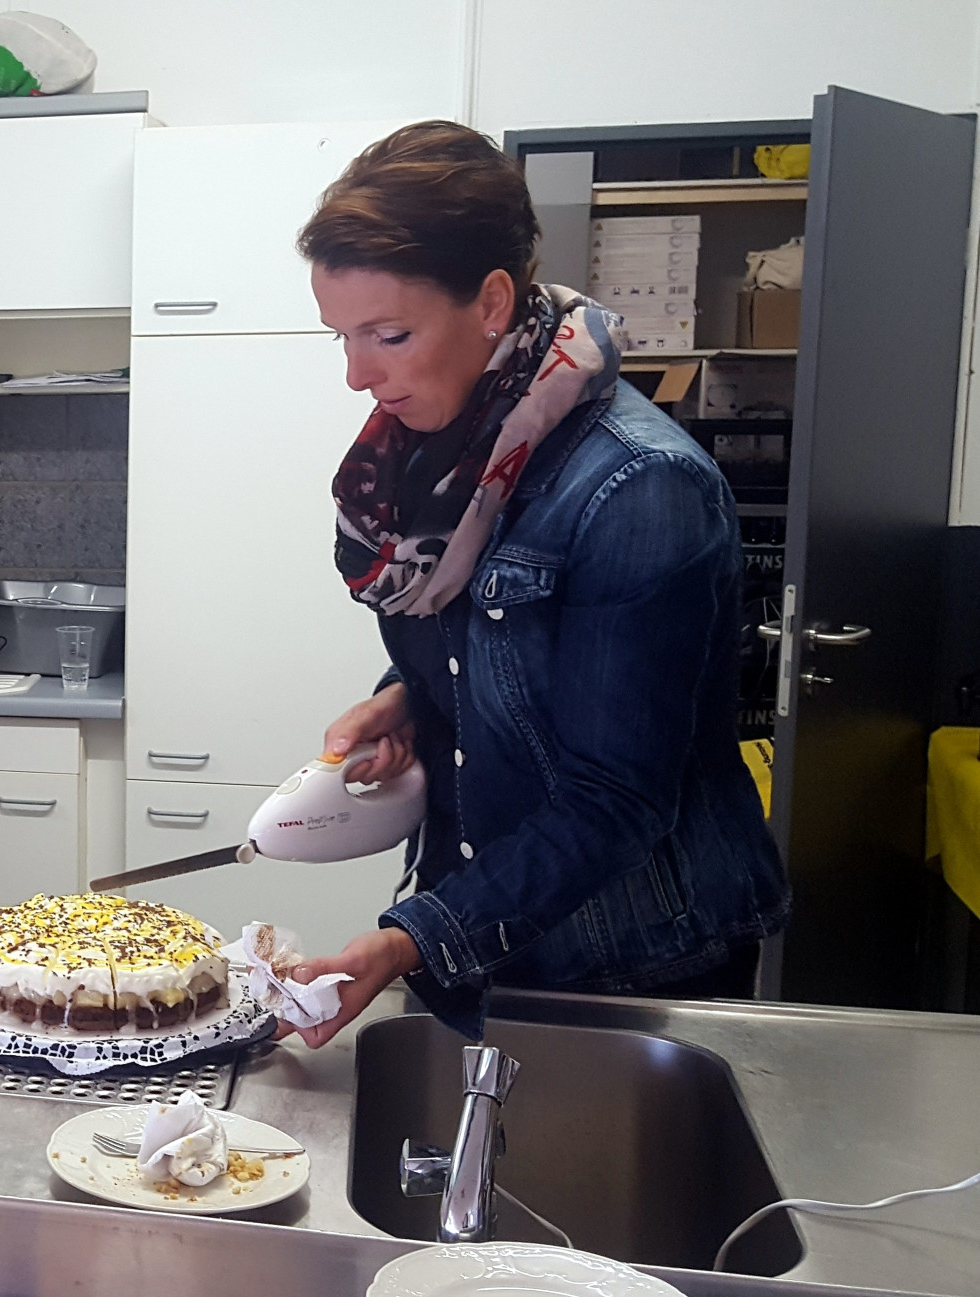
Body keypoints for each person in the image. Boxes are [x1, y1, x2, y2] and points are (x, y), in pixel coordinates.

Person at [281, 122, 789, 1043]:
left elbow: (617, 797)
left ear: (492, 301)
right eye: (342, 338)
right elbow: (493, 645)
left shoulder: (640, 486)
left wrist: (413, 938)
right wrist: (408, 696)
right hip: (481, 936)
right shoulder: (431, 463)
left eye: (389, 334)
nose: (357, 375)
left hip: (627, 964)